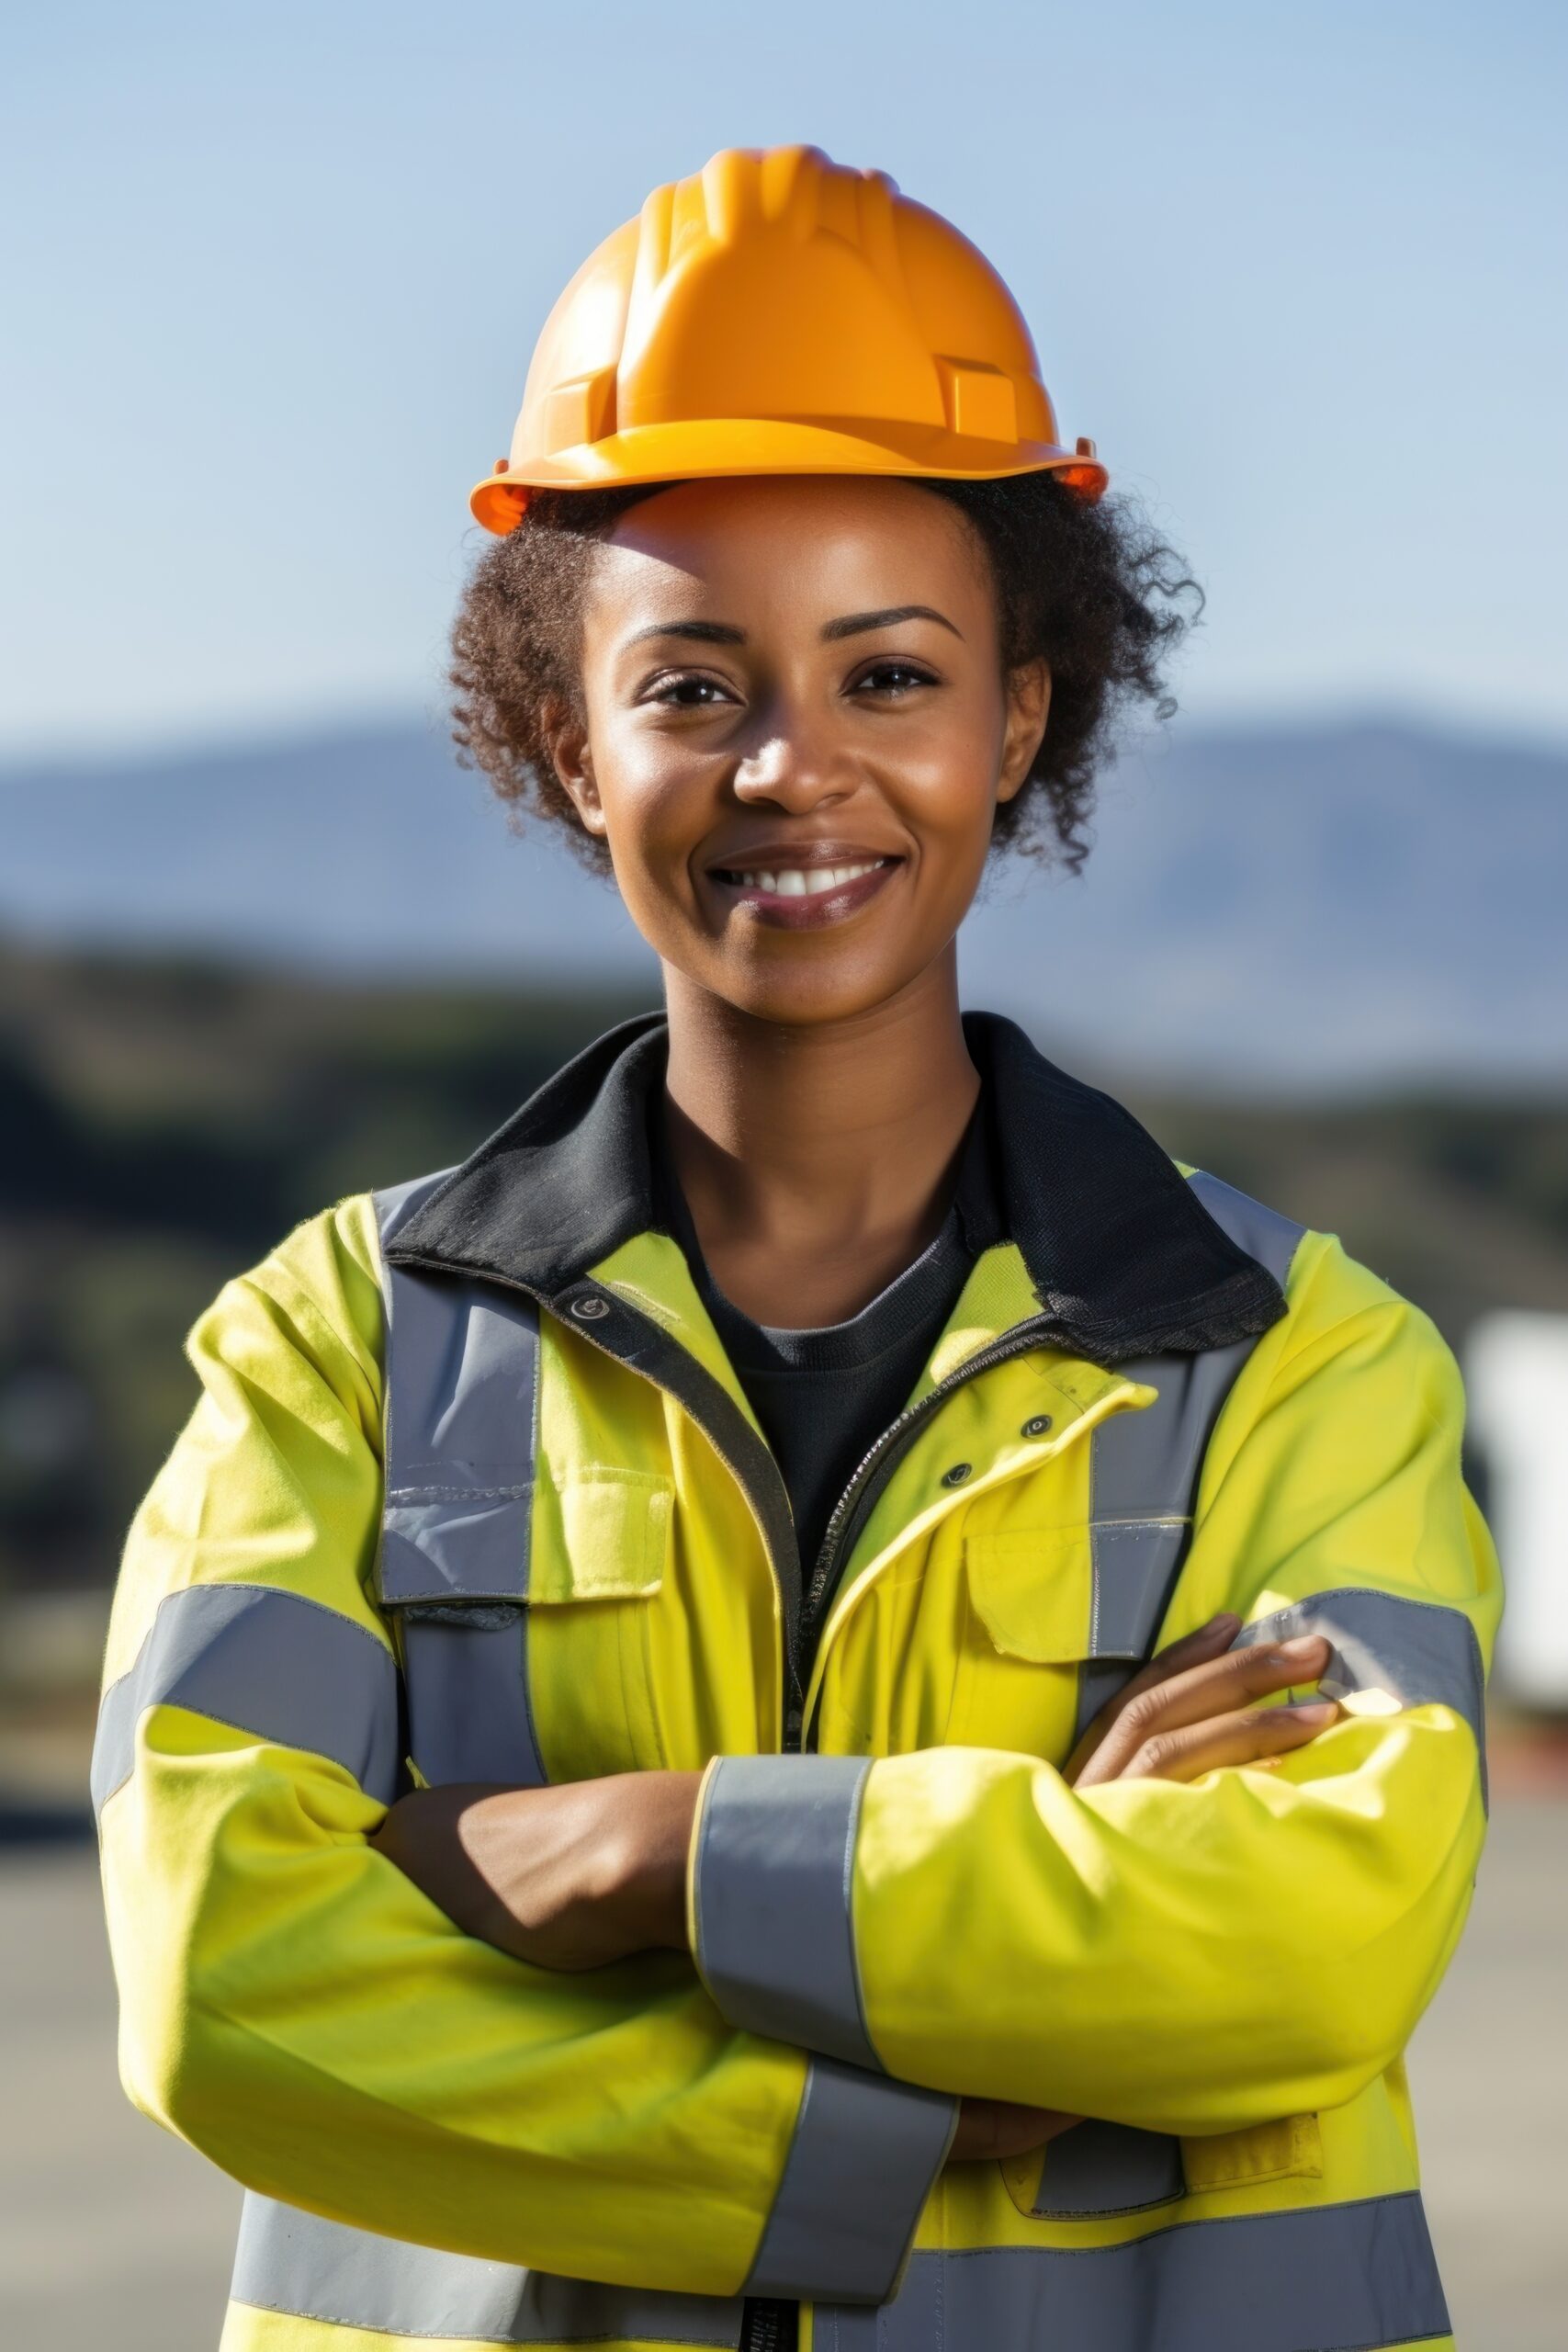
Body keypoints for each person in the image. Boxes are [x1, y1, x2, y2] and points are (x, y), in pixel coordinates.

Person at [94, 146, 1497, 2352]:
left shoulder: (1298, 1356)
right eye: (689, 689)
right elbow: (221, 1980)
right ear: (567, 742)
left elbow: (1306, 1938)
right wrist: (919, 2078)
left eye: (888, 675)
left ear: (1013, 718)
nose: (788, 768)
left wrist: (644, 1846)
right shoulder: (331, 1349)